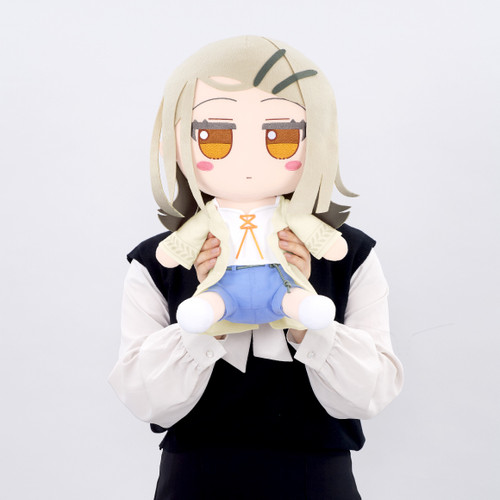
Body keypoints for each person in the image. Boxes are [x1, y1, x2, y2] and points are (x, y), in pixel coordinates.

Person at [109, 36, 404, 499]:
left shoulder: (348, 254)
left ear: (316, 138)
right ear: (179, 141)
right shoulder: (159, 260)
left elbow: (371, 393)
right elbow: (145, 399)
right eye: (216, 136)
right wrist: (205, 320)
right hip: (196, 477)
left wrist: (307, 318)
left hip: (316, 477)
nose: (248, 159)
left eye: (279, 135)